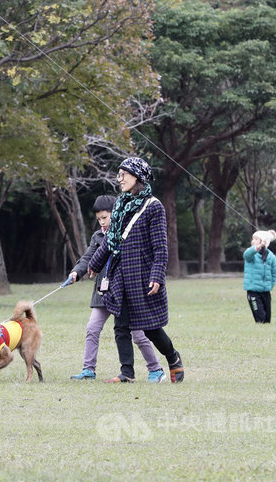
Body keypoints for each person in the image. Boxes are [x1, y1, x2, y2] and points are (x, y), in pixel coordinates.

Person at [88, 157, 184, 384]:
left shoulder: (154, 206)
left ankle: (173, 358)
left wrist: (157, 275)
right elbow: (111, 243)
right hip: (120, 276)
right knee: (121, 326)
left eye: (124, 174)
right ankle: (127, 373)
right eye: (119, 174)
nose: (120, 179)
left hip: (143, 276)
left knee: (150, 328)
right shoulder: (120, 205)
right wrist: (94, 264)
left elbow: (160, 246)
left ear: (138, 177)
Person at [68, 195, 166, 383]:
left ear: (117, 213)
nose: (102, 222)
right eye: (99, 219)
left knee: (138, 333)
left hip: (125, 291)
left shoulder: (126, 235)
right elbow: (89, 257)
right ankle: (88, 369)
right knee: (92, 328)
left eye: (105, 217)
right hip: (103, 292)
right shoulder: (97, 236)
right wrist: (76, 273)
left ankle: (156, 370)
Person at [243, 229, 276, 323]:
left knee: (267, 320)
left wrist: (270, 286)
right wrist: (258, 247)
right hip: (253, 292)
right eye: (252, 239)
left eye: (256, 239)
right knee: (260, 318)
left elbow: (274, 272)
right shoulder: (251, 254)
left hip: (266, 292)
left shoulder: (271, 256)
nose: (252, 241)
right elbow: (247, 255)